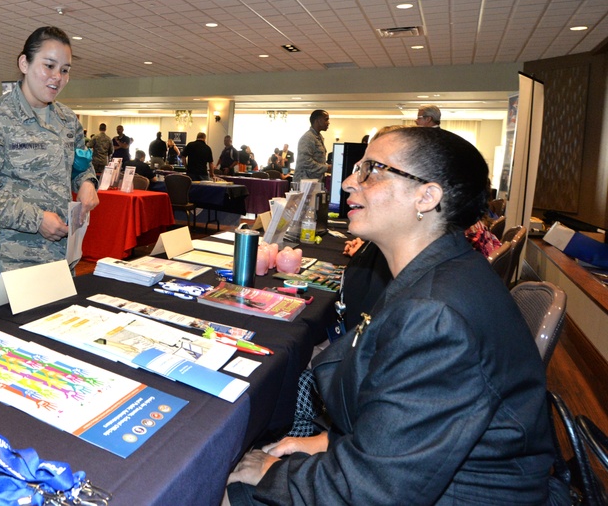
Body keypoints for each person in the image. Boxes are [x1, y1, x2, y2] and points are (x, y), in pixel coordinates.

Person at [226, 127, 554, 505]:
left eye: (372, 170)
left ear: (427, 197)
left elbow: (375, 490)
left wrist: (272, 473)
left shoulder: (435, 315)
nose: (349, 181)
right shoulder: (437, 270)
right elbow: (407, 417)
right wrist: (329, 440)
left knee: (223, 483)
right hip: (418, 470)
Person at [0, 26, 99, 303]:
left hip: (61, 262)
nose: (57, 77)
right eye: (49, 66)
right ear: (24, 63)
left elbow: (81, 161)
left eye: (65, 69)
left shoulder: (67, 119)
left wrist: (86, 182)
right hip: (11, 266)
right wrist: (36, 219)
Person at [295, 109, 329, 181]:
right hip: (305, 183)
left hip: (314, 181)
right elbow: (305, 162)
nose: (328, 123)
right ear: (318, 121)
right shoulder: (308, 138)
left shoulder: (319, 137)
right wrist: (327, 168)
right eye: (326, 120)